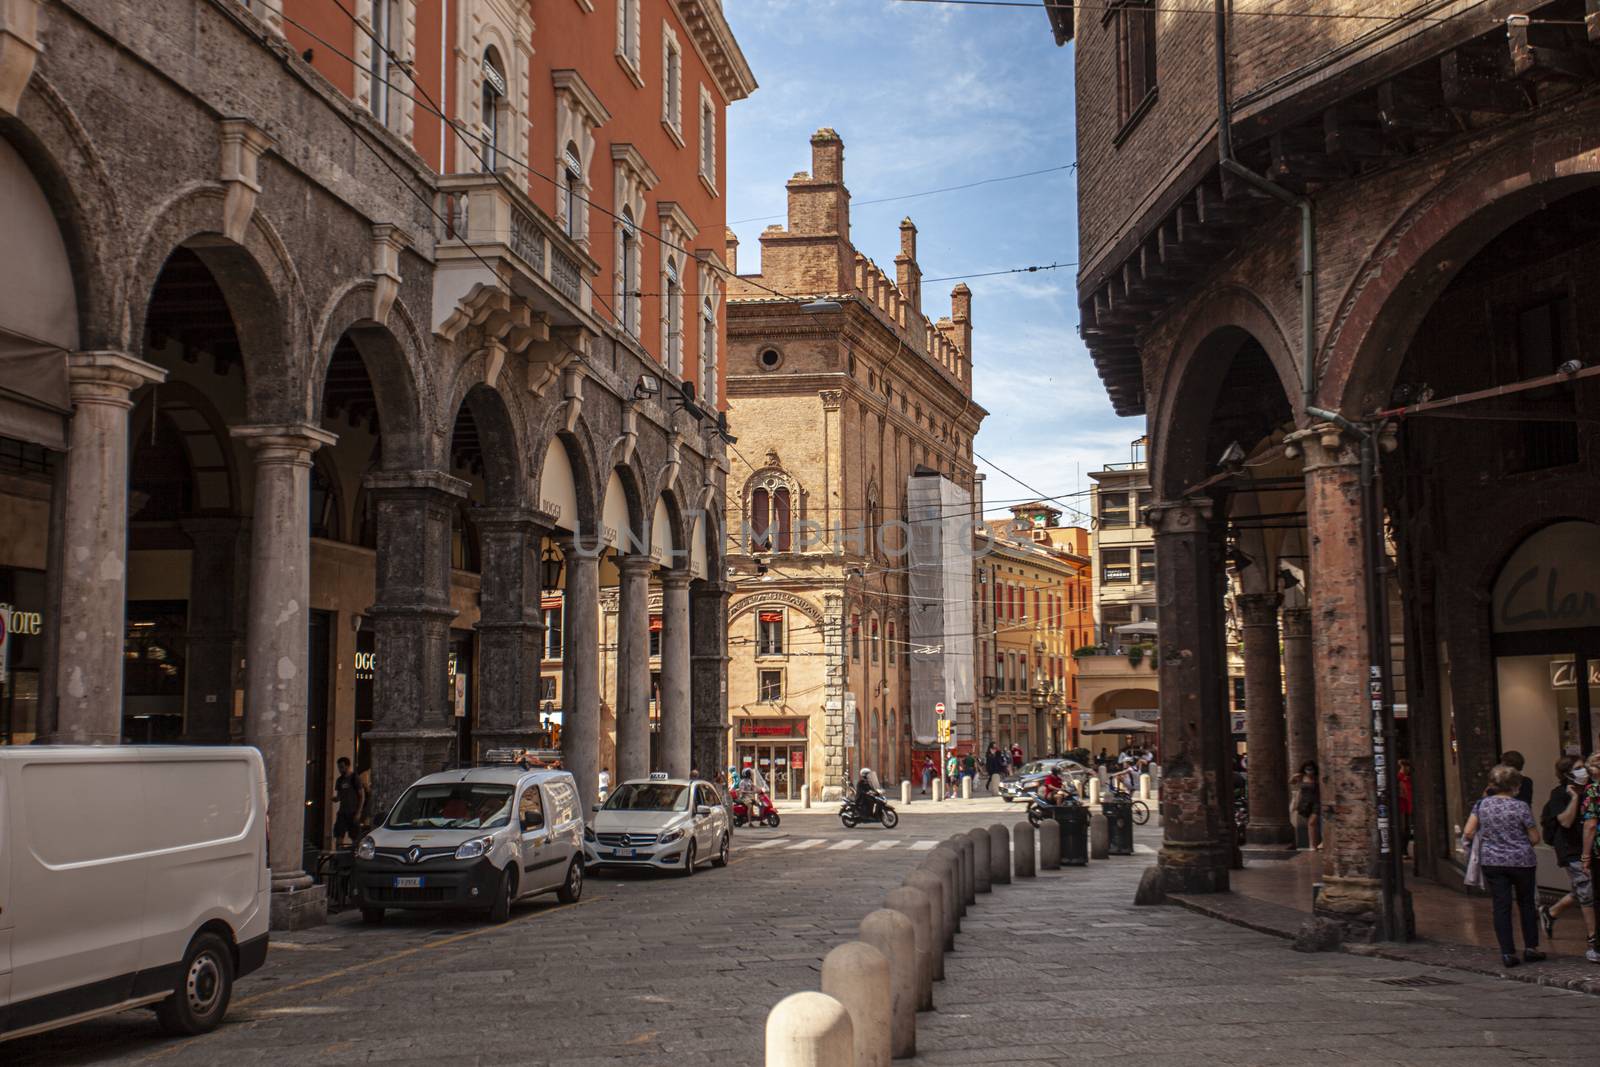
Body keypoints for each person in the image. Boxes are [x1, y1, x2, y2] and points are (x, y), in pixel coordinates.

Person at [1463, 763, 1543, 968]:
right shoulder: (1521, 806)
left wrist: (1489, 839)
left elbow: (1468, 832)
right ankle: (1531, 947)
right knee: (1526, 904)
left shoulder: (1482, 805)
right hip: (1522, 861)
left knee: (1501, 906)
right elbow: (1535, 837)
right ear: (1515, 785)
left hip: (1493, 861)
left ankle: (1507, 952)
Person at [1538, 756, 1600, 963]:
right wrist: (1574, 798)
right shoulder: (1559, 794)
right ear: (1567, 774)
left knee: (1583, 888)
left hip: (1589, 846)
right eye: (1578, 768)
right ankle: (1593, 938)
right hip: (1571, 848)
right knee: (1587, 891)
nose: (1583, 771)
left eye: (1584, 767)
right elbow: (1565, 822)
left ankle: (1551, 912)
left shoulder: (1593, 788)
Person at [332, 757, 366, 848]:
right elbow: (339, 796)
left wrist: (359, 812)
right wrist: (336, 799)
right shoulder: (339, 780)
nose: (340, 769)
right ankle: (338, 855)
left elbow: (362, 796)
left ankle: (354, 855)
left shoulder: (355, 778)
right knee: (339, 834)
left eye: (342, 767)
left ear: (348, 766)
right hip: (342, 812)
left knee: (354, 836)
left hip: (353, 812)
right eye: (339, 767)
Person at [1295, 761, 1321, 851]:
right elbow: (1292, 783)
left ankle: (1314, 845)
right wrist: (1295, 776)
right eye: (1307, 769)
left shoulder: (1317, 778)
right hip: (1305, 803)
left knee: (1312, 822)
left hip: (1317, 802)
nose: (1309, 771)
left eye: (1311, 769)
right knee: (1312, 824)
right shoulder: (1302, 777)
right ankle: (1313, 845)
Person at [1397, 758, 1414, 858]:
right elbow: (1403, 794)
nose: (1408, 769)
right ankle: (1403, 851)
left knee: (1406, 829)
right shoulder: (1400, 778)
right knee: (1403, 829)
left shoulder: (1407, 779)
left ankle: (1404, 851)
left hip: (1408, 806)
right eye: (1407, 766)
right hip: (1402, 807)